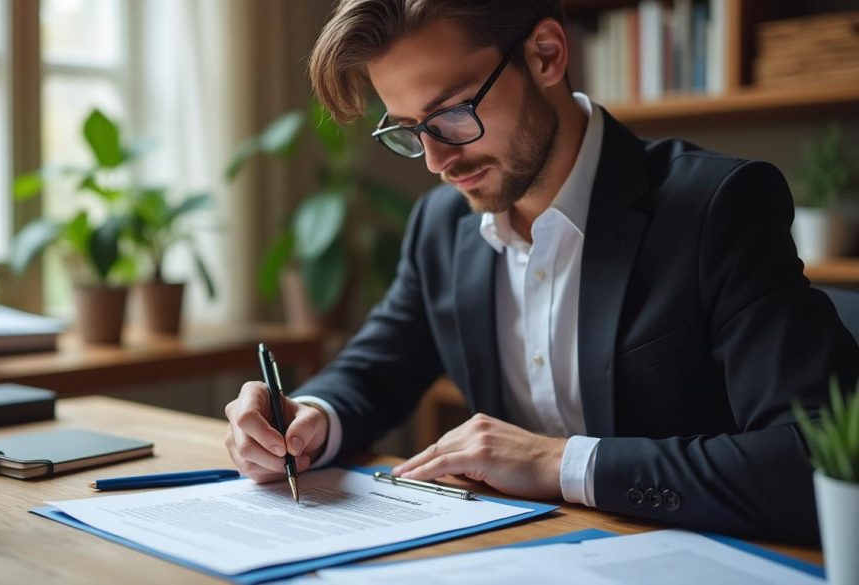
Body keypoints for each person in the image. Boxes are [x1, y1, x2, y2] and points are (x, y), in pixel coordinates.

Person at [223, 0, 858, 543]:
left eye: (449, 115)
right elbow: (374, 369)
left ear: (547, 55)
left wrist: (559, 463)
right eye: (410, 131)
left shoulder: (716, 208)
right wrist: (305, 416)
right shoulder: (441, 227)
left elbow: (816, 459)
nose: (436, 160)